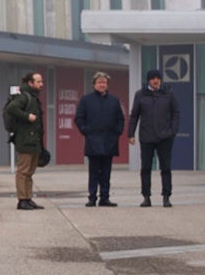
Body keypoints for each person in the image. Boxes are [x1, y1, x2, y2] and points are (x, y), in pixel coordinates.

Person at [128, 67, 180, 207]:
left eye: (158, 78)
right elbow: (134, 115)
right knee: (145, 168)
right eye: (152, 78)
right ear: (148, 81)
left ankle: (166, 196)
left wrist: (173, 131)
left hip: (165, 137)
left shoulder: (168, 93)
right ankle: (146, 196)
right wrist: (131, 134)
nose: (155, 81)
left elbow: (176, 112)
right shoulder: (140, 94)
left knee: (166, 168)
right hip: (147, 137)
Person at [73, 72, 125, 208]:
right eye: (99, 82)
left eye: (104, 83)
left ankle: (105, 197)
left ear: (107, 85)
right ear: (94, 84)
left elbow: (120, 118)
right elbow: (79, 118)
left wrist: (117, 132)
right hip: (93, 141)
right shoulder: (86, 100)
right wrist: (86, 130)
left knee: (106, 172)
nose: (102, 85)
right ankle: (92, 197)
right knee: (94, 172)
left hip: (110, 141)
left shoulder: (114, 100)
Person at [2, 70, 46, 210]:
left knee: (30, 172)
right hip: (25, 140)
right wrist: (27, 116)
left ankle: (28, 198)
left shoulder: (33, 97)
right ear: (30, 83)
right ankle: (22, 199)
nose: (41, 84)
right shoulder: (24, 96)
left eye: (41, 82)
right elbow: (11, 108)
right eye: (38, 82)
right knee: (23, 171)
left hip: (34, 141)